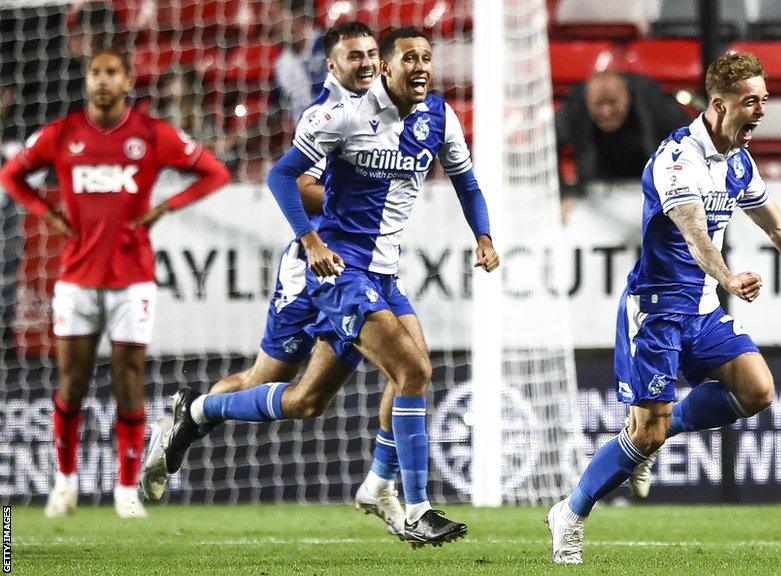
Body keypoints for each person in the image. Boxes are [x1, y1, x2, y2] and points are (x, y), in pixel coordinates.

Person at [158, 27, 499, 547]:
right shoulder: (340, 116)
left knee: (308, 401)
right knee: (412, 369)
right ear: (384, 68)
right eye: (409, 58)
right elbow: (281, 177)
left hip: (383, 273)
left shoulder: (439, 117)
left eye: (427, 57)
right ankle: (415, 506)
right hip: (335, 272)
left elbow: (468, 183)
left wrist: (484, 237)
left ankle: (204, 412)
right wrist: (311, 241)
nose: (422, 67)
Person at [546, 52, 781, 564]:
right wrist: (726, 276)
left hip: (699, 311)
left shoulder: (739, 162)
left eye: (765, 99)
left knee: (757, 390)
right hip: (656, 312)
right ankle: (569, 512)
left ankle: (653, 434)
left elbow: (778, 226)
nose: (761, 111)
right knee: (645, 432)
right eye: (751, 101)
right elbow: (694, 230)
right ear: (719, 105)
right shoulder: (678, 158)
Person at [138, 21, 408, 537]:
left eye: (373, 54)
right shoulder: (326, 115)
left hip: (354, 268)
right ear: (332, 65)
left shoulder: (383, 111)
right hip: (316, 270)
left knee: (308, 400)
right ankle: (390, 488)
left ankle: (187, 418)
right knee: (398, 368)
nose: (369, 63)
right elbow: (290, 179)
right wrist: (330, 213)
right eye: (356, 56)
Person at [0, 50, 231, 518]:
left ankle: (126, 490)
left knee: (129, 380)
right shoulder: (62, 134)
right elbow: (11, 174)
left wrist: (164, 208)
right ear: (87, 81)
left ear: (127, 82)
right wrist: (47, 213)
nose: (102, 81)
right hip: (77, 278)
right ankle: (64, 484)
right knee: (73, 382)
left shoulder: (150, 134)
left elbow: (215, 172)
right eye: (95, 73)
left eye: (111, 73)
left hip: (132, 280)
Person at [555, 70, 690, 215]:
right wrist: (564, 193)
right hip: (596, 188)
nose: (606, 111)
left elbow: (691, 138)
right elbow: (550, 145)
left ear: (627, 95)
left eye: (613, 102)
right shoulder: (575, 106)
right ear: (587, 100)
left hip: (648, 188)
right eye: (599, 104)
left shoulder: (651, 100)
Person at [274, 0, 322, 124]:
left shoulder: (329, 47)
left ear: (297, 16)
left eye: (275, 16)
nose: (273, 24)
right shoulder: (282, 64)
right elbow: (277, 113)